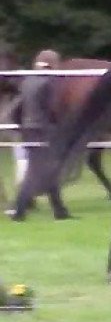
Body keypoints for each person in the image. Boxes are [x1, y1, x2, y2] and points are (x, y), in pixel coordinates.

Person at [4, 49, 71, 220]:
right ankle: (19, 211)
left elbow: (17, 108)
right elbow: (53, 109)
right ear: (53, 64)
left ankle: (60, 210)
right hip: (44, 130)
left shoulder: (28, 81)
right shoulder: (49, 82)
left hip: (29, 129)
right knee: (37, 171)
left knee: (49, 169)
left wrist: (21, 126)